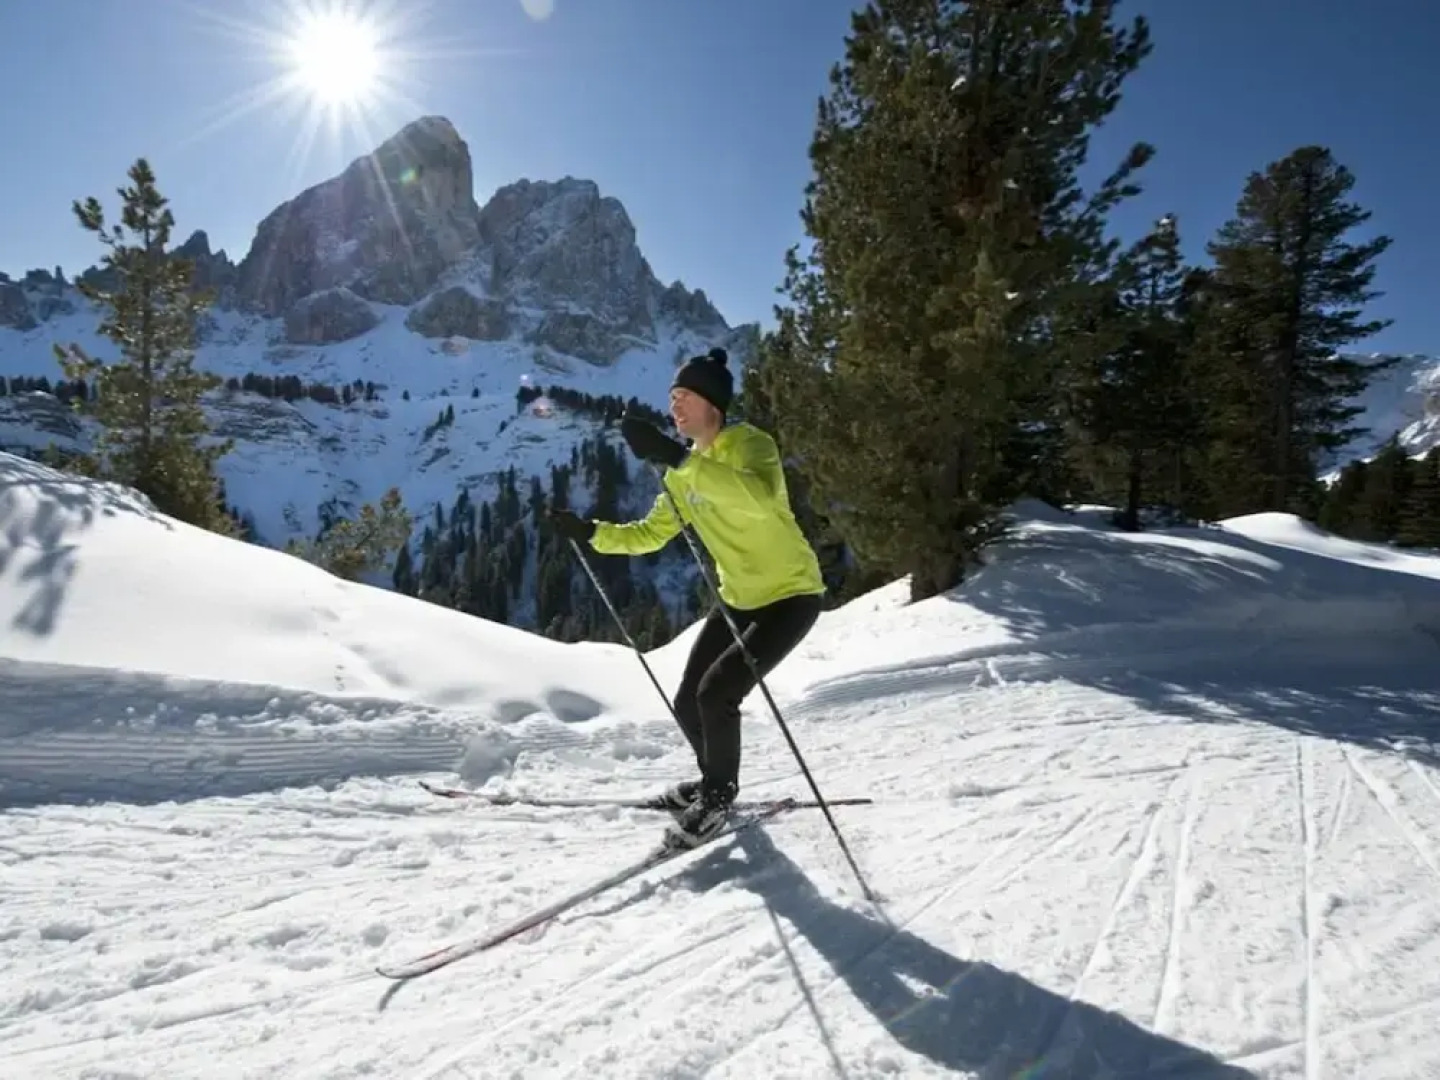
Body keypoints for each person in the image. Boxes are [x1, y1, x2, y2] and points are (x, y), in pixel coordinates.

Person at [549, 346, 826, 849]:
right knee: (686, 702)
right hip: (739, 600)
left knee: (717, 694)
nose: (673, 407)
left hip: (792, 596)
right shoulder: (685, 471)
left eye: (683, 397)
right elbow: (649, 534)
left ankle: (718, 799)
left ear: (712, 406)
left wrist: (676, 457)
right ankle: (712, 783)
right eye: (671, 397)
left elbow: (759, 500)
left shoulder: (749, 446)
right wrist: (589, 533)